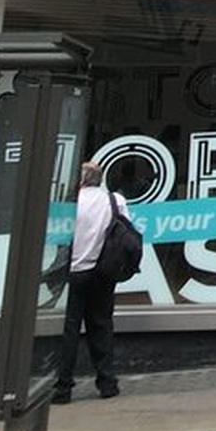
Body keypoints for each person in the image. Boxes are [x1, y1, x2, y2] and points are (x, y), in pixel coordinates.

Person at [55, 161, 126, 401]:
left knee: (71, 328)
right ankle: (107, 382)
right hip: (103, 270)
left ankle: (63, 386)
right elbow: (126, 228)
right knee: (102, 325)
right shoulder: (115, 200)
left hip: (75, 271)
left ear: (81, 180)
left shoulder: (71, 205)